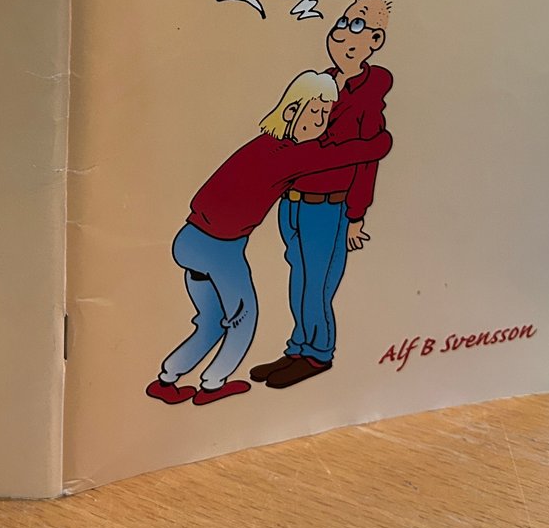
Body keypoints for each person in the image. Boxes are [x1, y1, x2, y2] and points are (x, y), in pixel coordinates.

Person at [147, 70, 394, 406]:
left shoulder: (264, 143)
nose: (320, 122)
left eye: (325, 114)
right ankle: (213, 384)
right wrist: (382, 142)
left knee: (211, 321)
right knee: (242, 318)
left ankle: (167, 378)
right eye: (315, 111)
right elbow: (345, 155)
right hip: (220, 248)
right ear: (291, 111)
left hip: (189, 240)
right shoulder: (289, 155)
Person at [251, 0, 394, 390]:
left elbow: (368, 159)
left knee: (317, 283)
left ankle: (318, 353)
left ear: (376, 41)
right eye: (343, 23)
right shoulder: (321, 83)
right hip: (293, 202)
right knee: (299, 278)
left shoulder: (367, 96)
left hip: (328, 206)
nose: (345, 33)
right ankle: (298, 347)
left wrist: (356, 214)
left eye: (359, 25)